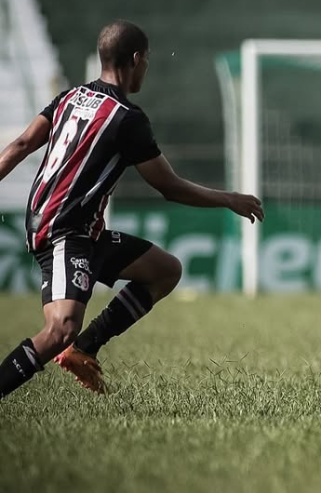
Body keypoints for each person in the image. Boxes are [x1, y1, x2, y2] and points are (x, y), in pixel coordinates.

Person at [0, 20, 263, 400]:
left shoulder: (69, 98)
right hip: (63, 229)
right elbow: (168, 186)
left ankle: (86, 348)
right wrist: (229, 198)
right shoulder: (127, 117)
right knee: (59, 329)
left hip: (80, 230)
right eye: (147, 61)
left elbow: (23, 143)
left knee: (165, 270)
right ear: (137, 60)